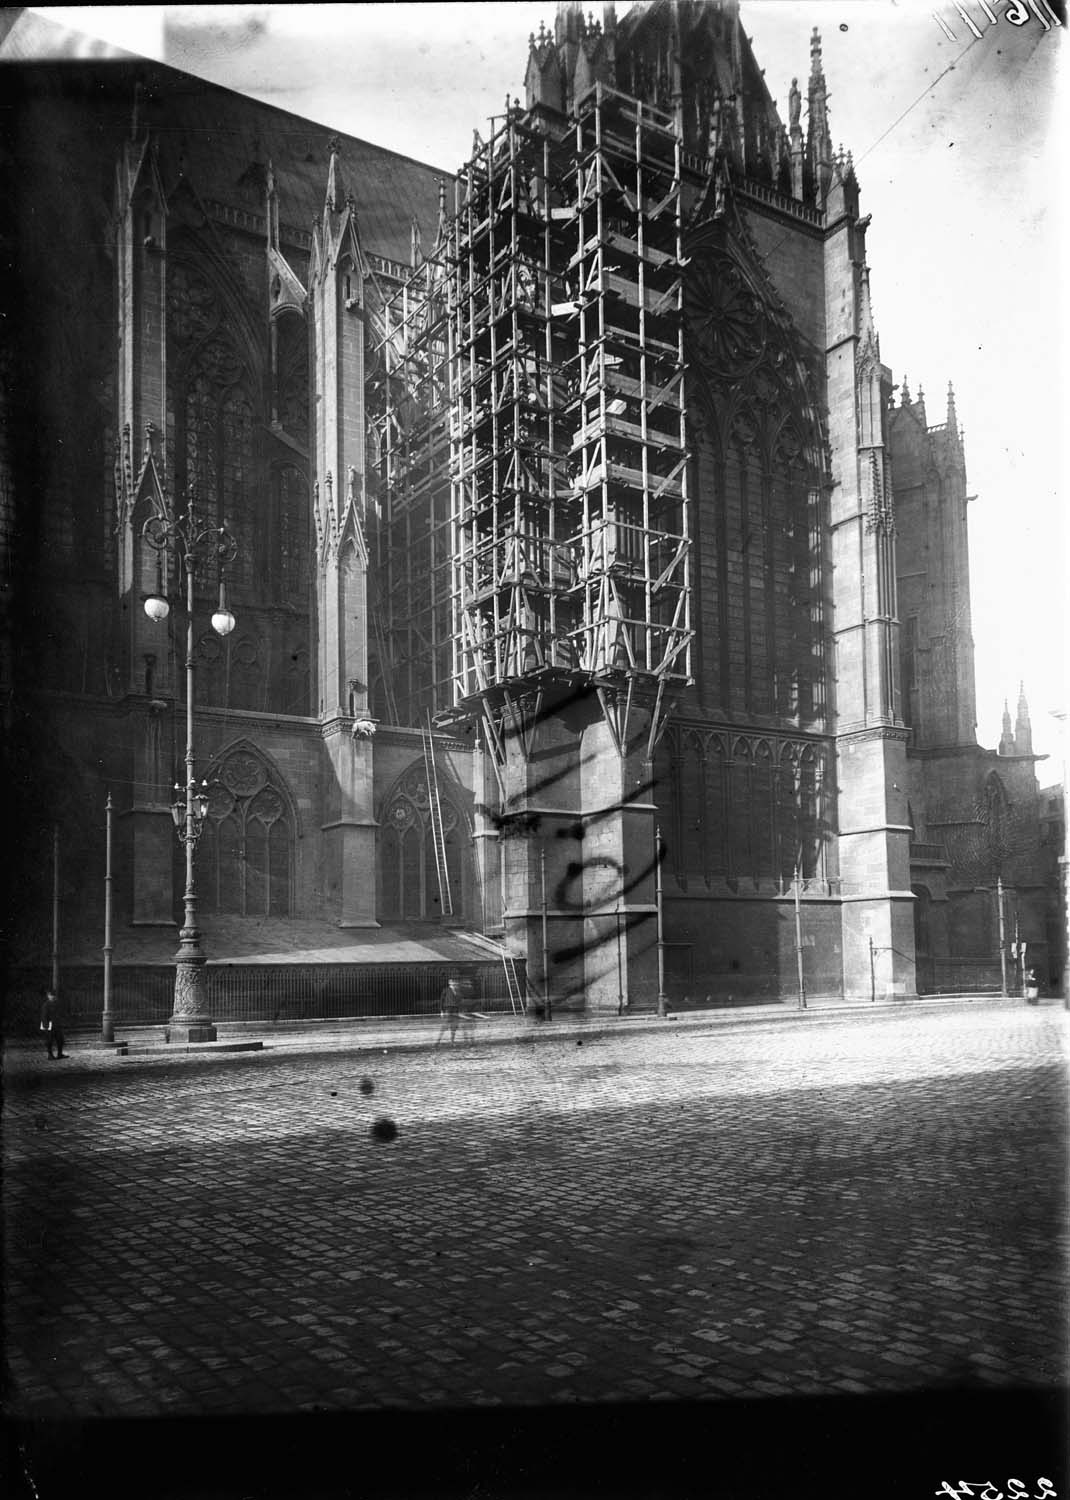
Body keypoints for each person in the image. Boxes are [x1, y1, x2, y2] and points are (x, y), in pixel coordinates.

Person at [39, 989, 68, 1059]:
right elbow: (44, 1016)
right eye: (50, 995)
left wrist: (62, 1021)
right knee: (49, 1040)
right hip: (49, 1025)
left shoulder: (58, 1003)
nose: (52, 997)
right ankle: (50, 1055)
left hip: (57, 1024)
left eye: (53, 995)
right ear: (48, 996)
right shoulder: (46, 1005)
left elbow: (61, 1013)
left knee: (60, 1040)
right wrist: (46, 1026)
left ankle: (59, 1054)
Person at [436, 975, 462, 1045]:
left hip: (455, 1010)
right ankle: (438, 1041)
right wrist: (441, 1011)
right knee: (445, 1025)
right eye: (451, 982)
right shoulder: (446, 990)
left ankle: (452, 1041)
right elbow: (441, 1000)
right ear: (449, 983)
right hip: (448, 1009)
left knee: (454, 1026)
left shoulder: (458, 991)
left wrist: (459, 1010)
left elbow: (459, 1001)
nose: (453, 983)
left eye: (454, 982)